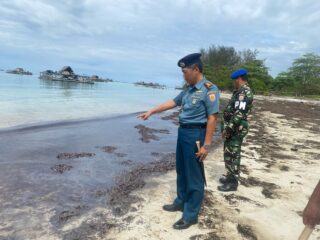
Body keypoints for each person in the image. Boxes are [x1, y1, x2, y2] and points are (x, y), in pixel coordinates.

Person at [138, 53, 219, 229]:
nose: (183, 74)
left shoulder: (209, 89)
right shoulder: (188, 89)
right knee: (182, 170)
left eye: (185, 71)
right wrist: (152, 111)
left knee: (194, 176)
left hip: (196, 135)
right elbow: (172, 103)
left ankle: (190, 215)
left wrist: (207, 145)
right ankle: (181, 201)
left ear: (195, 69)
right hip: (183, 133)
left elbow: (212, 118)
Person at [218, 68, 253, 192]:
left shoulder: (245, 93)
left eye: (234, 80)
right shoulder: (238, 92)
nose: (234, 82)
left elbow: (239, 114)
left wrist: (228, 129)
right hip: (232, 129)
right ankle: (229, 176)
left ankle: (233, 183)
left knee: (233, 154)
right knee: (228, 152)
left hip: (236, 129)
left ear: (239, 79)